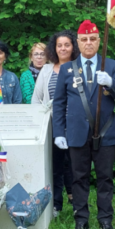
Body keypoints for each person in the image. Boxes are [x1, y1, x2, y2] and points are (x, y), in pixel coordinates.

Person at [52, 20, 115, 229]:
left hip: (105, 132)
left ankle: (105, 219)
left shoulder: (111, 65)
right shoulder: (67, 69)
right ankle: (81, 219)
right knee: (79, 178)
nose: (89, 43)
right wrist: (59, 132)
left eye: (93, 39)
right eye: (84, 40)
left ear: (99, 40)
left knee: (105, 178)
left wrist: (111, 83)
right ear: (78, 42)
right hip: (76, 133)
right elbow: (59, 104)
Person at [32, 31, 79, 218]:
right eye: (59, 45)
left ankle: (78, 204)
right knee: (56, 167)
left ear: (73, 47)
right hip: (52, 127)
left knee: (76, 167)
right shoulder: (46, 70)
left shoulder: (79, 68)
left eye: (67, 44)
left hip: (76, 127)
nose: (63, 48)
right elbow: (36, 100)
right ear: (54, 48)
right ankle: (56, 205)